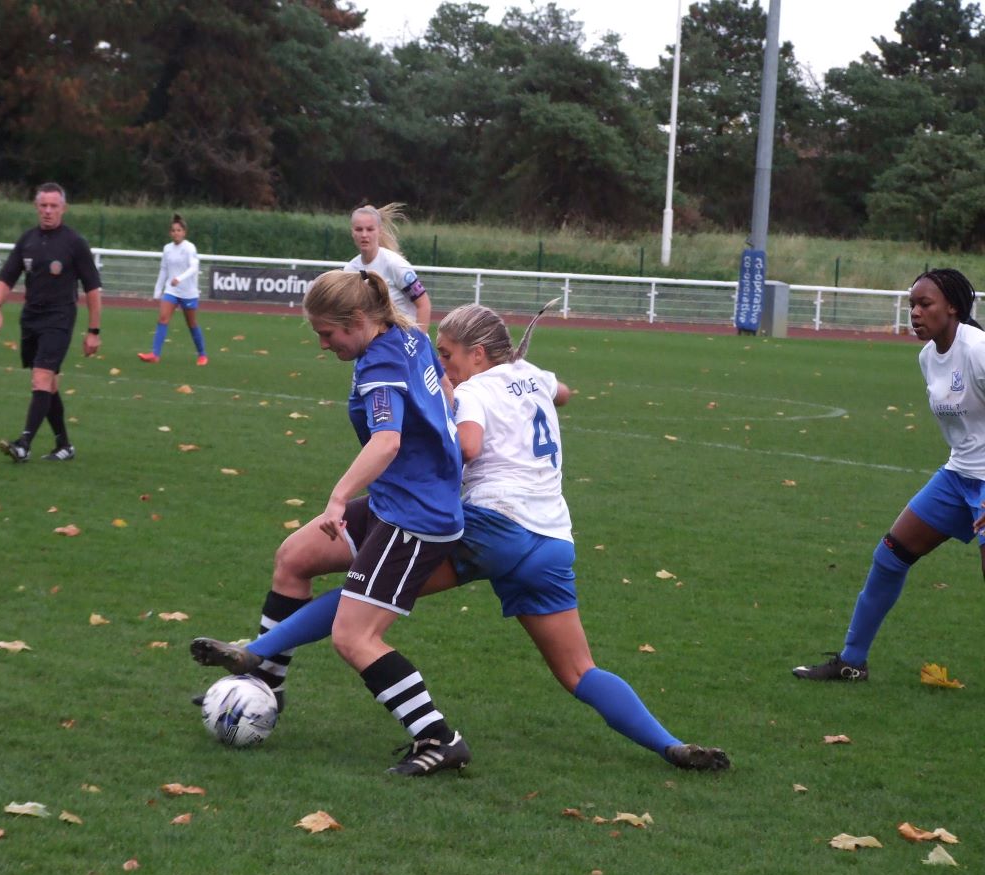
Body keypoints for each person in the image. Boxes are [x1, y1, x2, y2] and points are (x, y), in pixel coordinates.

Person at [194, 302, 729, 771]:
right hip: (551, 542)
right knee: (579, 671)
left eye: (447, 355)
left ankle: (257, 653)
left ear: (477, 353)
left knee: (365, 599)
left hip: (493, 528)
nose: (441, 365)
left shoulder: (473, 391)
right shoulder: (534, 377)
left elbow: (469, 448)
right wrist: (530, 382)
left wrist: (444, 413)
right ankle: (670, 746)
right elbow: (563, 393)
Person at [203, 269, 470, 776]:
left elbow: (386, 441)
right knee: (294, 558)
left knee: (354, 638)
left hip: (416, 518)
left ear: (358, 320)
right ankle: (264, 685)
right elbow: (447, 393)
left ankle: (439, 739)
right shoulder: (409, 335)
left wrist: (337, 498)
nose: (323, 345)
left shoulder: (380, 365)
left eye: (328, 334)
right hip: (401, 499)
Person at [794, 268, 985, 682]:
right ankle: (851, 661)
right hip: (958, 477)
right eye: (911, 304)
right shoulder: (926, 357)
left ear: (952, 306)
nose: (914, 312)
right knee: (890, 555)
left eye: (925, 304)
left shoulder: (977, 350)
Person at [0, 182, 102, 462]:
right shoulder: (27, 240)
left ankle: (23, 443)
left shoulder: (74, 243)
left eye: (54, 206)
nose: (48, 211)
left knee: (41, 377)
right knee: (47, 384)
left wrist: (93, 331)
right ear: (36, 207)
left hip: (60, 319)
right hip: (31, 319)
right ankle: (64, 445)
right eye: (43, 206)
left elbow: (93, 290)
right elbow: (7, 276)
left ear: (63, 208)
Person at [344, 203, 432, 332]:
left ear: (379, 231)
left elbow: (424, 304)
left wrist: (420, 342)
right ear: (352, 232)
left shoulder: (395, 264)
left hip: (405, 340)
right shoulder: (350, 270)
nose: (364, 235)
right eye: (359, 229)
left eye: (370, 229)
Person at [137, 213, 206, 365]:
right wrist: (157, 290)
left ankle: (202, 355)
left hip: (188, 292)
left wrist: (179, 278)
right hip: (171, 291)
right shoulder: (167, 249)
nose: (176, 233)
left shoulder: (189, 248)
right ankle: (155, 354)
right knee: (162, 319)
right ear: (170, 233)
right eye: (173, 230)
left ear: (184, 232)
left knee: (192, 324)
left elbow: (194, 267)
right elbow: (163, 269)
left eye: (179, 230)